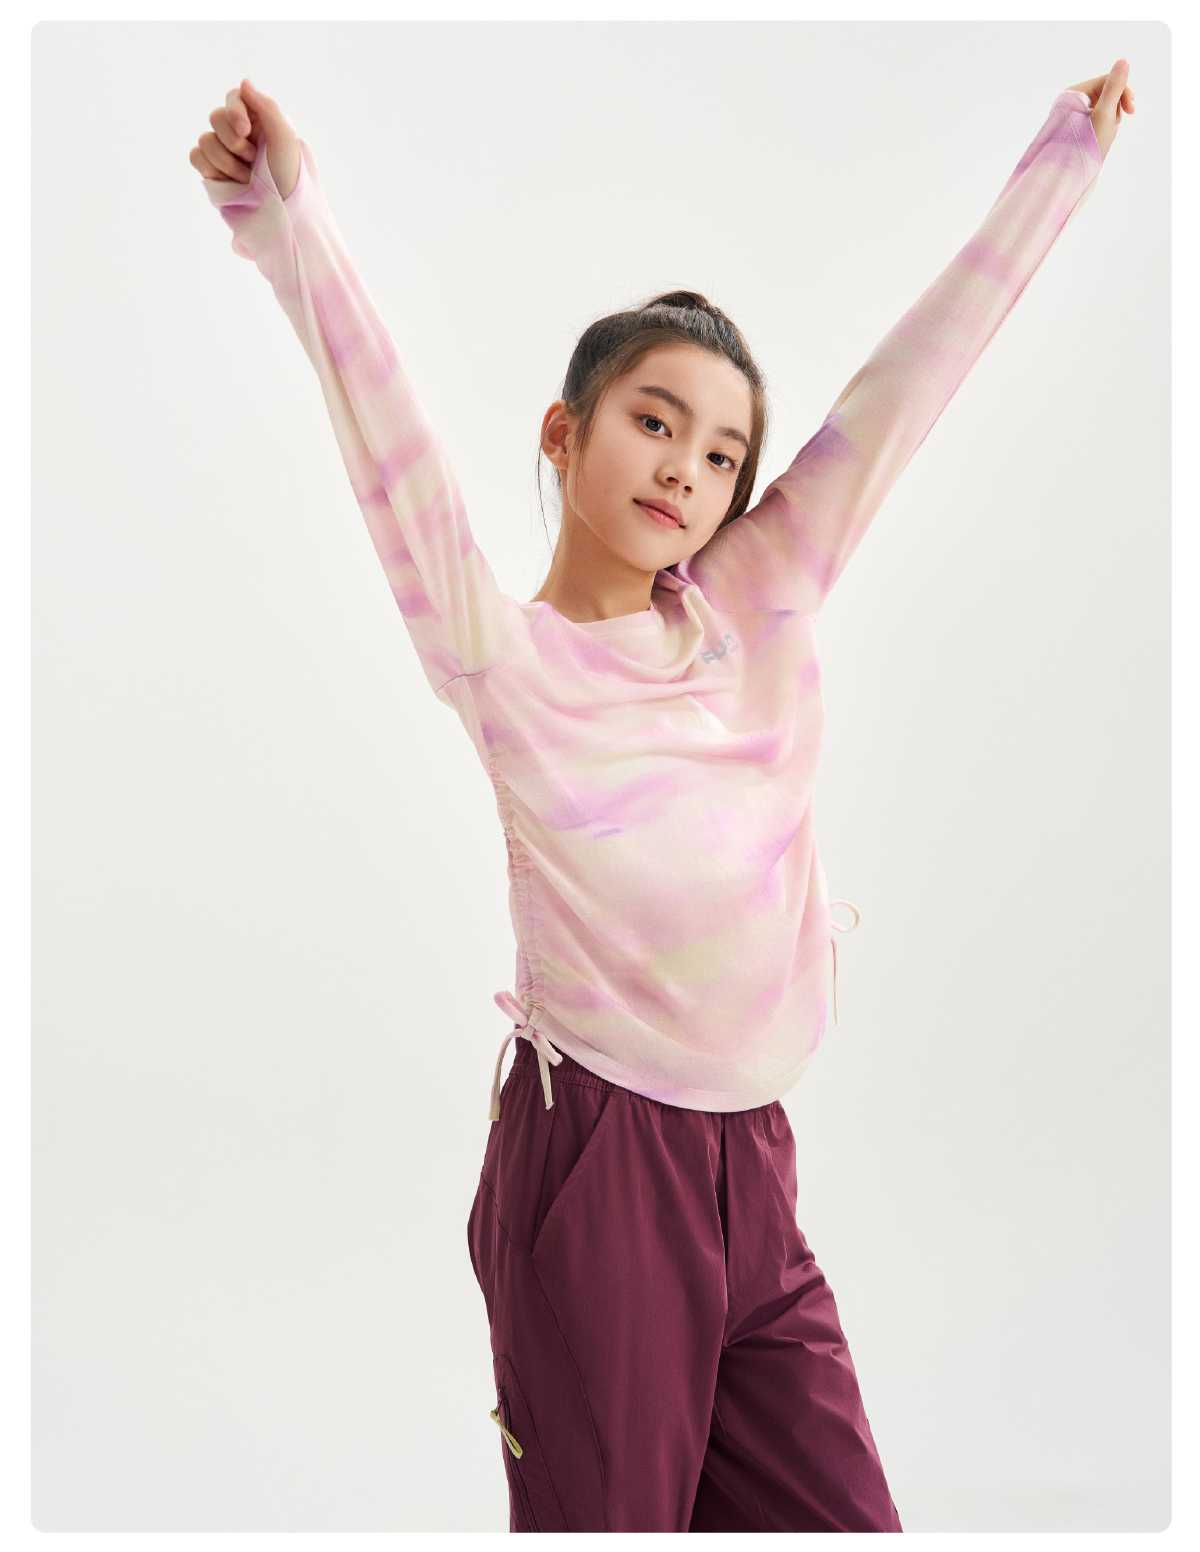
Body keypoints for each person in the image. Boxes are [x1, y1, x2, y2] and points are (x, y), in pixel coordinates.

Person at [190, 62, 1132, 1532]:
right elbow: (392, 446)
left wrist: (1065, 159)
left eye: (722, 452)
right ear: (563, 433)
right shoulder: (504, 656)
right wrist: (282, 216)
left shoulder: (758, 600)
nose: (687, 468)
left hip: (755, 1167)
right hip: (598, 1166)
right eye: (653, 421)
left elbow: (908, 391)